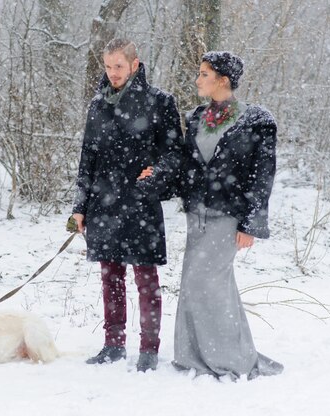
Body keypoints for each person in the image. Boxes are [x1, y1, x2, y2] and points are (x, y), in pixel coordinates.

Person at [138, 51, 283, 379]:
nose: (197, 80)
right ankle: (196, 357)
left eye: (204, 74)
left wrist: (251, 223)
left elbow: (263, 176)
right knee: (200, 284)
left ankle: (227, 360)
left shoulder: (256, 120)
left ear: (223, 80)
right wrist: (157, 175)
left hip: (228, 217)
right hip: (197, 215)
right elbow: (186, 166)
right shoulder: (196, 117)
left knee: (205, 282)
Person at [72, 38, 183, 372]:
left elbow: (174, 152)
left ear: (135, 64)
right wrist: (80, 205)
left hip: (139, 201)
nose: (112, 73)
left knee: (146, 278)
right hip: (103, 202)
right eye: (107, 66)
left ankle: (149, 348)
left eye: (118, 66)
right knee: (111, 277)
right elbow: (87, 156)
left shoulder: (159, 101)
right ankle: (113, 344)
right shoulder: (99, 102)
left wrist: (157, 173)